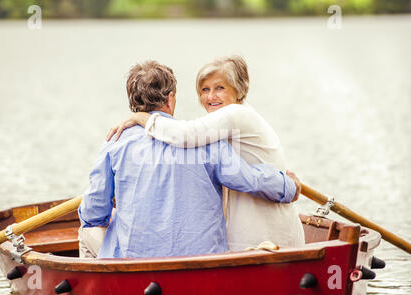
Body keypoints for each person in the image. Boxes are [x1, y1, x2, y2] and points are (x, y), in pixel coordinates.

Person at [78, 60, 301, 259]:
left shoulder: (115, 140)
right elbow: (249, 179)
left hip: (134, 260)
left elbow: (94, 212)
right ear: (170, 98)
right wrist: (287, 185)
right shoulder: (207, 141)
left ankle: (97, 283)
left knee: (86, 229)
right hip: (203, 261)